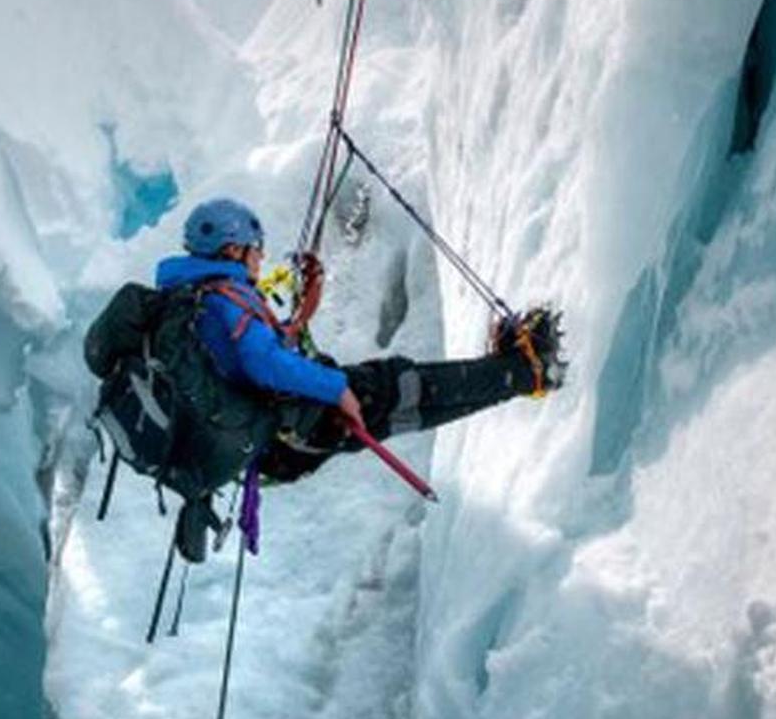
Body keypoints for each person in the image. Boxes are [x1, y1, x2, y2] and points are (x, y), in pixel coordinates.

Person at [155, 196, 561, 498]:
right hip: (293, 423)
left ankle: (516, 374)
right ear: (233, 249)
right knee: (400, 388)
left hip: (275, 441)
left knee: (399, 407)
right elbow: (263, 362)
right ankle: (525, 371)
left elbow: (252, 355)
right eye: (255, 248)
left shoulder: (195, 299)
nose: (260, 257)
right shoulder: (223, 298)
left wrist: (302, 315)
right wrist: (334, 388)